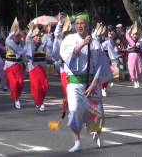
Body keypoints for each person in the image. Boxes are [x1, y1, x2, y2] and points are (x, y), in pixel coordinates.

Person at [60, 13, 112, 152]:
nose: (79, 26)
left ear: (87, 25)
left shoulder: (95, 43)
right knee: (74, 109)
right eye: (77, 23)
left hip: (91, 82)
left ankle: (96, 132)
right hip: (75, 82)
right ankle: (77, 141)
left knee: (96, 111)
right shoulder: (68, 40)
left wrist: (95, 82)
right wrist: (83, 44)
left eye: (82, 23)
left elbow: (101, 64)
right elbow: (67, 58)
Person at [25, 25, 49, 112]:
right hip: (34, 69)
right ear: (33, 37)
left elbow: (49, 42)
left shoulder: (43, 45)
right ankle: (40, 103)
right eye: (37, 36)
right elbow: (28, 39)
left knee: (45, 86)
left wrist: (48, 31)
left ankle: (39, 100)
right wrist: (31, 30)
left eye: (39, 36)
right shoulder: (30, 44)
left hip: (42, 69)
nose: (39, 37)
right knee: (37, 87)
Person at [4, 20, 25, 109]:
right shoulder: (9, 42)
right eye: (16, 36)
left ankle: (17, 96)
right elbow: (7, 39)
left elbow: (24, 52)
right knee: (14, 83)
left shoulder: (22, 44)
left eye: (18, 36)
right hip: (10, 65)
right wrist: (13, 31)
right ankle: (16, 99)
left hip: (18, 66)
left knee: (20, 83)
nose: (17, 37)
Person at [126, 22, 142, 88]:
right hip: (132, 55)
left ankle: (138, 80)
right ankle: (134, 81)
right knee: (132, 68)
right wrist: (131, 28)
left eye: (137, 34)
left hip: (138, 56)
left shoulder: (139, 41)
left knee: (140, 68)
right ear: (132, 35)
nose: (136, 35)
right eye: (134, 34)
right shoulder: (130, 40)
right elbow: (127, 35)